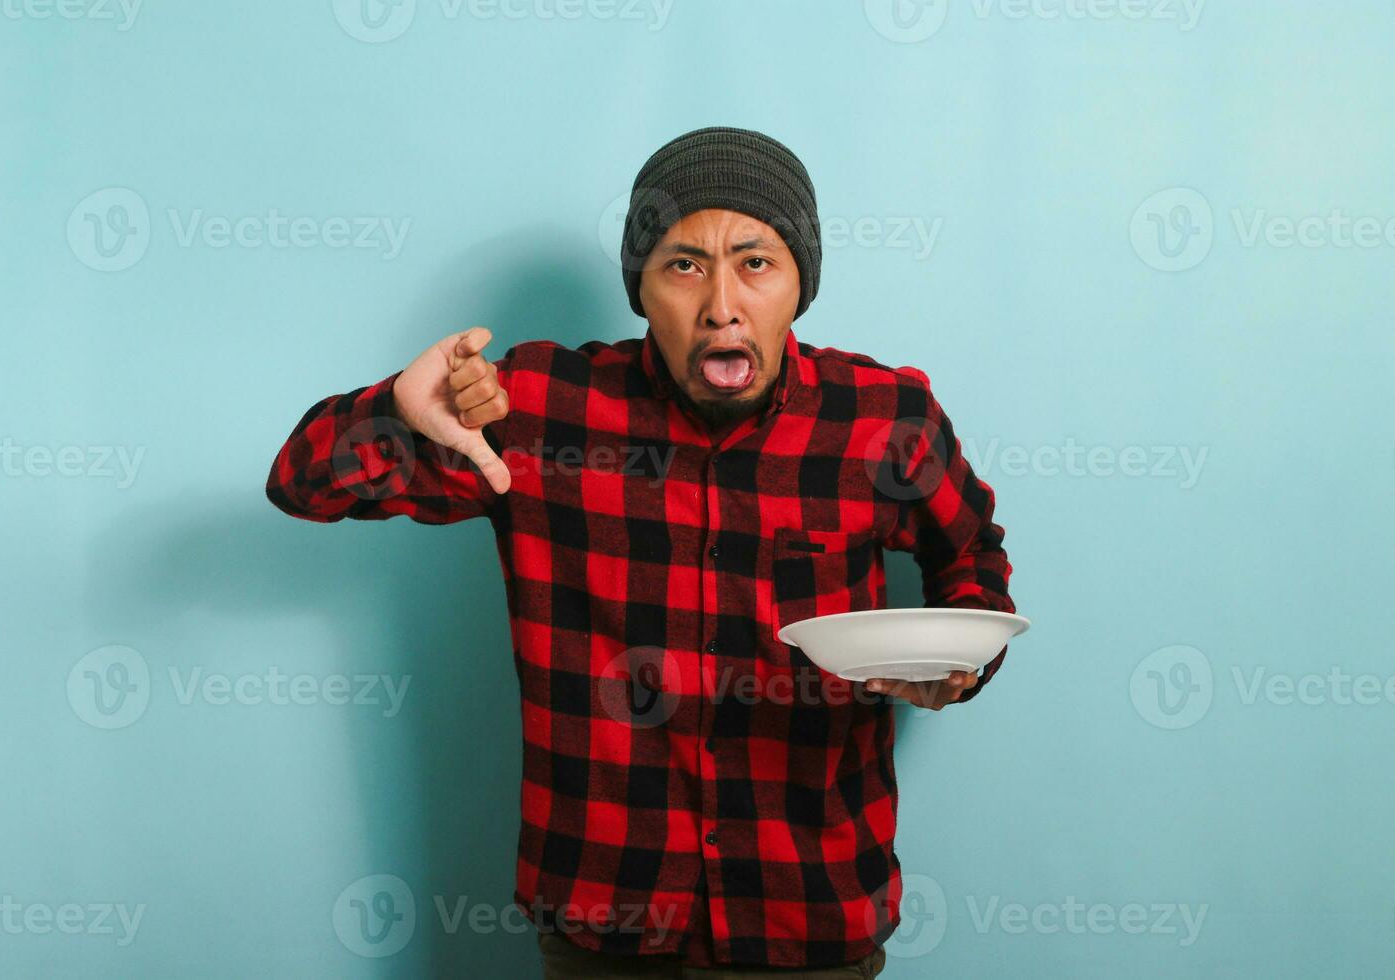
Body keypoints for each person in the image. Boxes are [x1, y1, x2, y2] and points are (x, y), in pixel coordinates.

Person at [266, 126, 1016, 978]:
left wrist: (960, 661)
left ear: (801, 279)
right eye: (684, 265)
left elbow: (975, 570)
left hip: (809, 912)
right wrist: (397, 411)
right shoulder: (539, 411)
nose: (722, 306)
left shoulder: (886, 418)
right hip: (605, 919)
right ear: (640, 288)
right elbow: (301, 484)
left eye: (756, 262)